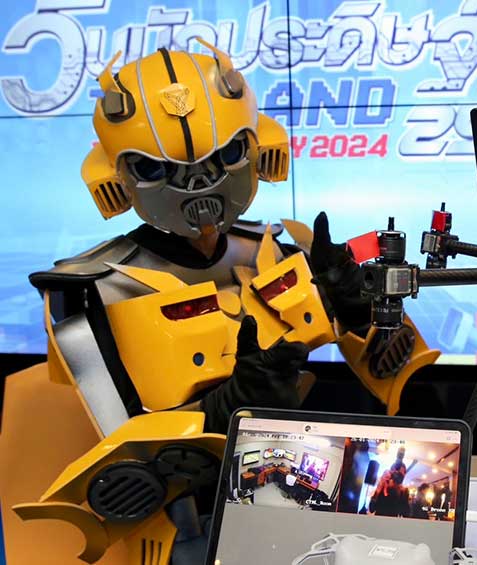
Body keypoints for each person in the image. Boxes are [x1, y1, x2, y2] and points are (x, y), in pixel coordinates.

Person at [0, 40, 438, 565]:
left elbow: (396, 375)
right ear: (116, 175)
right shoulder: (88, 288)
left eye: (224, 157)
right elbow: (121, 463)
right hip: (178, 528)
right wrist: (222, 412)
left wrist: (363, 313)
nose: (199, 185)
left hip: (304, 496)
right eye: (160, 169)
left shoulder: (282, 247)